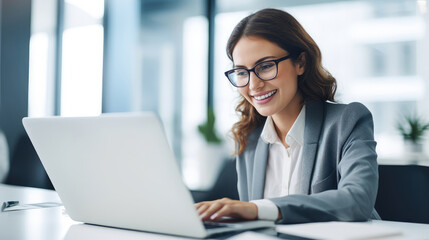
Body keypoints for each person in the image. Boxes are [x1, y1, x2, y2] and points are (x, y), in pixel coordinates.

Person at [195, 8, 380, 224]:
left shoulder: (347, 121)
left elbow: (357, 200)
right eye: (242, 72)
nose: (254, 85)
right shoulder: (250, 139)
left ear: (300, 63)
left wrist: (260, 208)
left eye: (265, 66)